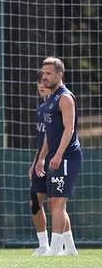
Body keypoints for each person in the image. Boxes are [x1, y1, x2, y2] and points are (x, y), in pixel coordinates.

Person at [35, 57, 82, 256]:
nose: (44, 77)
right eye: (43, 73)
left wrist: (59, 154)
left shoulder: (64, 97)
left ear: (59, 75)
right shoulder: (50, 98)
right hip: (54, 156)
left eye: (48, 74)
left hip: (67, 157)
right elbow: (49, 133)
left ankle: (54, 250)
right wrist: (42, 157)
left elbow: (68, 128)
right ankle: (70, 249)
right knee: (54, 203)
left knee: (58, 202)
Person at [29, 70, 51, 256]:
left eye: (45, 82)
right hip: (41, 162)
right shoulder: (41, 109)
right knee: (35, 202)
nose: (41, 86)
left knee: (56, 203)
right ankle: (43, 245)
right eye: (39, 83)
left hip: (57, 160)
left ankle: (68, 245)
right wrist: (36, 160)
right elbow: (42, 140)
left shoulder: (59, 104)